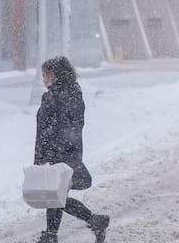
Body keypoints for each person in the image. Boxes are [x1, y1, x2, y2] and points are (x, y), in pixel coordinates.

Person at [33, 56, 110, 243]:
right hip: (72, 151)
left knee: (56, 196)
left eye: (45, 75)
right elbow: (75, 126)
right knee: (57, 195)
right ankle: (88, 223)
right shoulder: (75, 93)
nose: (44, 80)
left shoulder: (51, 97)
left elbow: (45, 130)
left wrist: (41, 159)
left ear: (54, 75)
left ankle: (54, 235)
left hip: (57, 154)